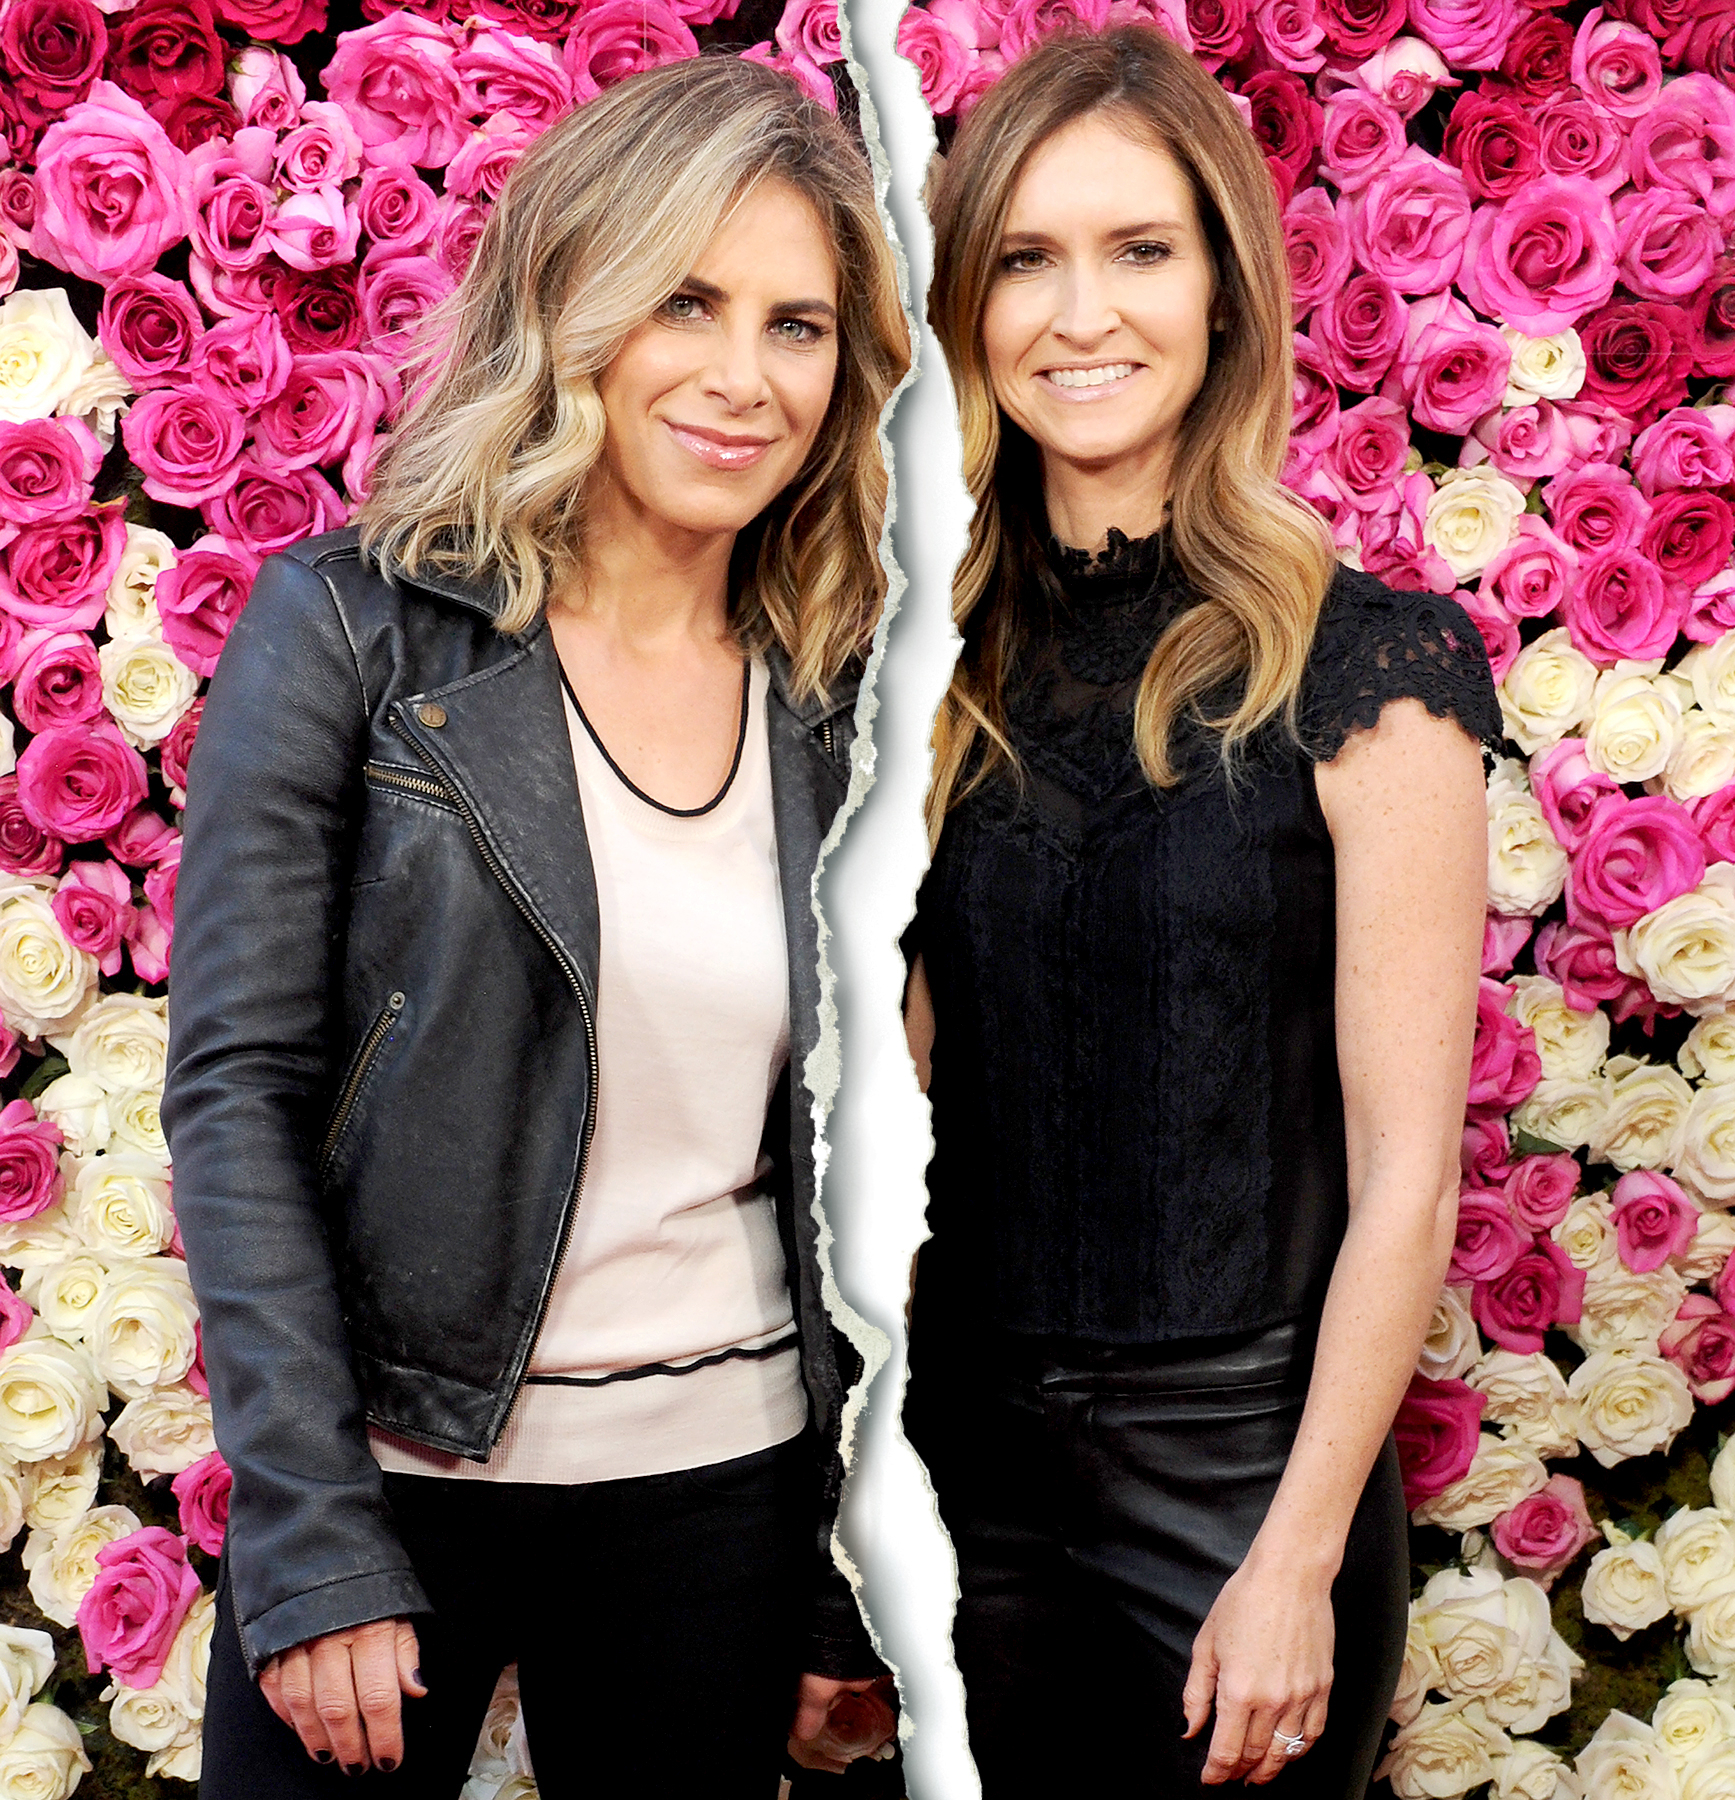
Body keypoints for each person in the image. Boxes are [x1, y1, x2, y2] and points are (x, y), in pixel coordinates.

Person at [162, 55, 909, 1798]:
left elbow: (875, 1159)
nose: (744, 377)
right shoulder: (352, 631)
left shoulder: (841, 695)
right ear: (573, 306)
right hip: (393, 1490)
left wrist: (834, 1576)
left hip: (722, 1504)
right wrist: (313, 1537)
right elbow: (239, 1090)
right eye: (686, 301)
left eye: (797, 325)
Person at [902, 26, 1497, 1797]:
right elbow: (878, 1123)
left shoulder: (1374, 666)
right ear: (967, 309)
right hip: (958, 1482)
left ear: (1225, 296)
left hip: (1242, 1477)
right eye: (1025, 258)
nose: (1081, 314)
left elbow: (1407, 1172)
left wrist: (1299, 1555)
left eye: (1139, 251)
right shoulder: (912, 674)